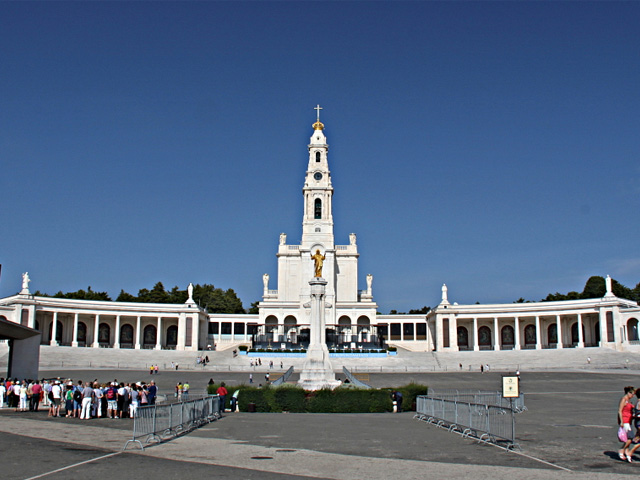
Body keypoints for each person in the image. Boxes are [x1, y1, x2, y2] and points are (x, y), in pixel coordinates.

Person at [618, 386, 636, 461]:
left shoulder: (629, 400)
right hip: (625, 421)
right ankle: (622, 449)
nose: (633, 396)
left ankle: (626, 451)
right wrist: (621, 421)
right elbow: (620, 410)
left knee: (628, 437)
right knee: (630, 437)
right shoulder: (624, 399)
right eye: (632, 394)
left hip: (629, 420)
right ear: (628, 393)